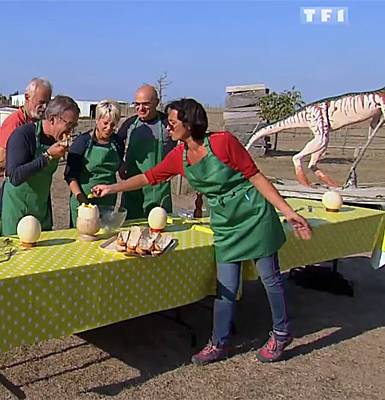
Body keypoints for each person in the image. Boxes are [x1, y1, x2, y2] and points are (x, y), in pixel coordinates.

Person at [92, 98, 313, 365]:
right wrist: (112, 188)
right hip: (225, 225)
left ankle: (281, 333)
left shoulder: (223, 142)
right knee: (226, 287)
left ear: (188, 123)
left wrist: (287, 211)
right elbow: (150, 177)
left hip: (254, 216)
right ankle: (219, 343)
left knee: (270, 278)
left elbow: (255, 176)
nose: (168, 128)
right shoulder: (179, 156)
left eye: (172, 123)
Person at [0, 95, 79, 236]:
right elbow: (15, 176)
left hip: (41, 211)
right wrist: (47, 156)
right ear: (53, 119)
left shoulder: (55, 140)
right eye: (69, 124)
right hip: (18, 212)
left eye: (74, 126)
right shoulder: (23, 135)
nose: (71, 131)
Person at [115, 85, 177, 220]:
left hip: (158, 190)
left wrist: (176, 168)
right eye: (137, 104)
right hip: (132, 188)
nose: (140, 109)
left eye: (146, 104)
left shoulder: (168, 124)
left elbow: (184, 146)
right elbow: (116, 144)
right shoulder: (130, 124)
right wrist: (120, 163)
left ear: (157, 102)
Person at [0, 77, 53, 218]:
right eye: (41, 102)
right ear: (27, 97)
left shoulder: (42, 125)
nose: (44, 107)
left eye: (48, 103)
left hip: (37, 196)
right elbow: (1, 163)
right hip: (17, 194)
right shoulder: (14, 123)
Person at [64, 100, 124, 228]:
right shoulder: (82, 142)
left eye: (113, 125)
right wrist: (81, 199)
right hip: (84, 199)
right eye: (105, 123)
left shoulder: (118, 143)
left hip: (108, 200)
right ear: (97, 120)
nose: (109, 128)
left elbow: (119, 163)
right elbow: (70, 175)